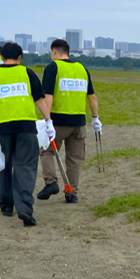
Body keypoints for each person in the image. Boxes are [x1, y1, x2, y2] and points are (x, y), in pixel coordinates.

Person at [0, 43, 50, 226]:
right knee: (26, 166)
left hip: (2, 126)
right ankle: (25, 208)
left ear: (2, 57)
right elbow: (39, 99)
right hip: (26, 125)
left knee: (5, 164)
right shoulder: (27, 72)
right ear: (20, 56)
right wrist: (48, 119)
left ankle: (6, 205)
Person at [39, 39, 100, 203]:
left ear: (54, 51)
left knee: (47, 151)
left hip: (58, 121)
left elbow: (48, 96)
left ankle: (51, 182)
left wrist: (47, 120)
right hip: (79, 123)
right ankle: (72, 192)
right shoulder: (82, 68)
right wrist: (95, 118)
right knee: (74, 159)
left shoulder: (53, 68)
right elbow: (92, 97)